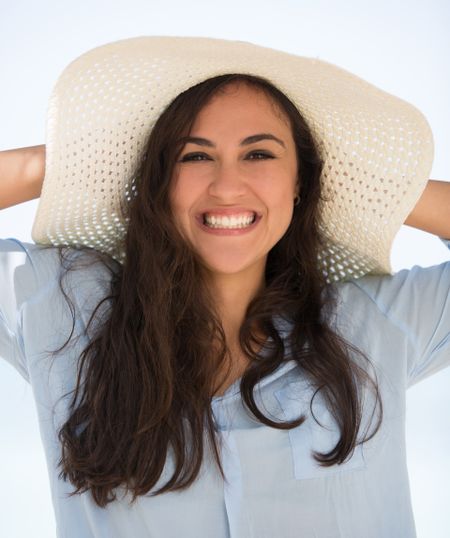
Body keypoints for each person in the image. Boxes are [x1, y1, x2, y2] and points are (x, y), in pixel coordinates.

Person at [1, 36, 449, 538]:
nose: (227, 185)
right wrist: (63, 164)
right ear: (157, 180)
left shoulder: (377, 320)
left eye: (259, 154)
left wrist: (380, 189)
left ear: (302, 182)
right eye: (194, 157)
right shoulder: (63, 303)